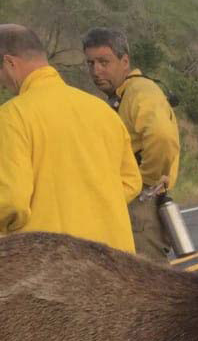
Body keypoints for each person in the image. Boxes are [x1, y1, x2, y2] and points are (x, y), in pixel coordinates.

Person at [0, 24, 141, 251]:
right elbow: (131, 182)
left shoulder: (12, 116)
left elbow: (11, 202)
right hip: (117, 266)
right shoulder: (103, 112)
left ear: (10, 63)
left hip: (54, 270)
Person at [82, 27, 180, 261]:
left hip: (140, 206)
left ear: (124, 61)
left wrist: (144, 182)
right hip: (132, 203)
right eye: (90, 63)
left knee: (149, 284)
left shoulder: (140, 90)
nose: (96, 71)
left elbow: (162, 136)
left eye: (104, 62)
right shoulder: (123, 94)